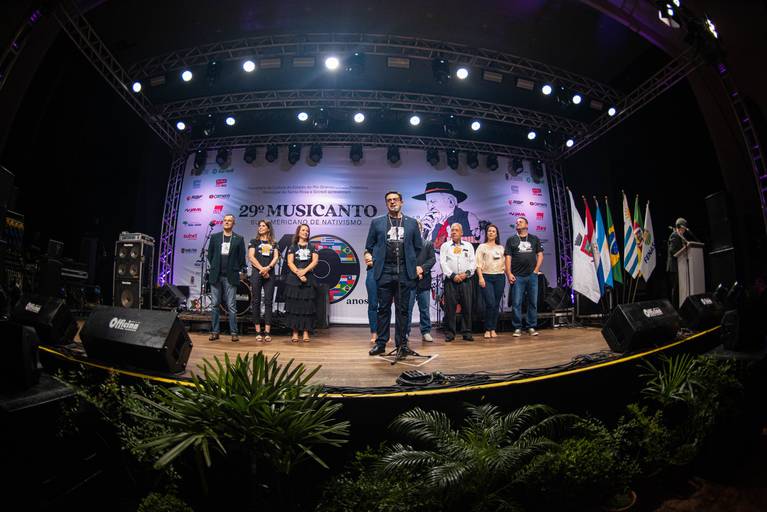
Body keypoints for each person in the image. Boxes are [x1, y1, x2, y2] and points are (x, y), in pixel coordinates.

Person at [365, 191, 423, 357]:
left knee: (403, 310)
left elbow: (418, 247)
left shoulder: (412, 223)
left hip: (404, 271)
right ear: (386, 204)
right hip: (384, 271)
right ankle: (381, 343)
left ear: (401, 202)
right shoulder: (377, 222)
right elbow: (369, 246)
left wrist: (411, 264)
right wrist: (368, 255)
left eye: (395, 199)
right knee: (383, 309)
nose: (392, 202)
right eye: (389, 200)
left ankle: (402, 344)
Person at [207, 213, 246, 342]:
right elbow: (210, 255)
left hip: (231, 276)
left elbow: (241, 258)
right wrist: (215, 266)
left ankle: (234, 332)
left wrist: (237, 269)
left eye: (230, 220)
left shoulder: (239, 239)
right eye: (225, 220)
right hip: (216, 275)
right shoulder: (215, 237)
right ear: (223, 222)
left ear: (233, 223)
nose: (227, 222)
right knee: (215, 305)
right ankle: (215, 332)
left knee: (231, 306)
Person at [412, 182, 481, 251]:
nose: (430, 207)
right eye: (427, 203)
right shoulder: (431, 223)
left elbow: (476, 246)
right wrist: (424, 234)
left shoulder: (468, 218)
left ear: (451, 202)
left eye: (433, 201)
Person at [504, 217, 544, 337]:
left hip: (532, 276)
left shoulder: (534, 238)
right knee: (516, 303)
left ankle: (531, 326)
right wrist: (509, 273)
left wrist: (536, 270)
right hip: (517, 276)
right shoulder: (511, 240)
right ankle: (517, 327)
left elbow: (540, 255)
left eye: (520, 222)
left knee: (532, 302)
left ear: (527, 224)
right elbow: (508, 257)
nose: (517, 223)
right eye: (516, 222)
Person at [439, 223, 476, 342]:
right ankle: (450, 333)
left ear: (461, 233)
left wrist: (466, 274)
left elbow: (473, 262)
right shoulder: (445, 246)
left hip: (466, 280)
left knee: (467, 306)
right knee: (450, 308)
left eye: (456, 230)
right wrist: (453, 275)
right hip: (451, 281)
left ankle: (467, 332)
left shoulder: (469, 246)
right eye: (452, 230)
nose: (454, 232)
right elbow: (443, 263)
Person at [284, 223, 319, 342]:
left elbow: (315, 261)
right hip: (294, 280)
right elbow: (290, 262)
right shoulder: (293, 247)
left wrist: (304, 271)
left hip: (308, 279)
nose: (305, 232)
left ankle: (305, 332)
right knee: (294, 306)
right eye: (303, 230)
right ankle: (295, 332)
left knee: (307, 307)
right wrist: (299, 274)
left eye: (307, 231)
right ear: (298, 232)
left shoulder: (312, 247)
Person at [248, 219, 279, 342]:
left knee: (268, 302)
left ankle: (267, 332)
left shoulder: (274, 243)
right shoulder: (254, 241)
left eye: (263, 226)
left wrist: (268, 268)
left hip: (269, 274)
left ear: (268, 228)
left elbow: (276, 257)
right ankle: (258, 331)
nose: (260, 227)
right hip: (257, 273)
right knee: (256, 301)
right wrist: (262, 269)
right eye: (259, 226)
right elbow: (251, 257)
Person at [406, 220, 436, 342]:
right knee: (407, 309)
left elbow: (432, 260)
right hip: (409, 281)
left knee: (424, 308)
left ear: (421, 229)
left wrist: (421, 269)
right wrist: (414, 270)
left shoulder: (428, 244)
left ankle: (426, 331)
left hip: (424, 281)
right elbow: (403, 261)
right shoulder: (406, 245)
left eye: (418, 228)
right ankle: (405, 332)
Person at [476, 224, 505, 339]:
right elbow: (478, 264)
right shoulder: (482, 247)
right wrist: (480, 277)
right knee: (490, 303)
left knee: (496, 304)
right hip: (486, 277)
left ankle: (493, 328)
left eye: (493, 231)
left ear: (496, 234)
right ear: (487, 233)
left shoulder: (501, 248)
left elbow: (505, 263)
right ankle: (487, 329)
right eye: (489, 231)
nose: (491, 232)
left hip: (500, 277)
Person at [667, 217, 689, 307]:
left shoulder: (681, 236)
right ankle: (675, 308)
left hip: (680, 266)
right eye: (684, 228)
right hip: (674, 267)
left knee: (679, 289)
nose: (685, 230)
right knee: (676, 289)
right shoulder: (674, 235)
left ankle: (681, 306)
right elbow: (672, 250)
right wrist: (683, 251)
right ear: (680, 227)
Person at [365, 264, 378, 343]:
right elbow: (368, 259)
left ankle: (385, 333)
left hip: (386, 271)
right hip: (373, 271)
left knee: (385, 306)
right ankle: (374, 333)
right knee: (373, 304)